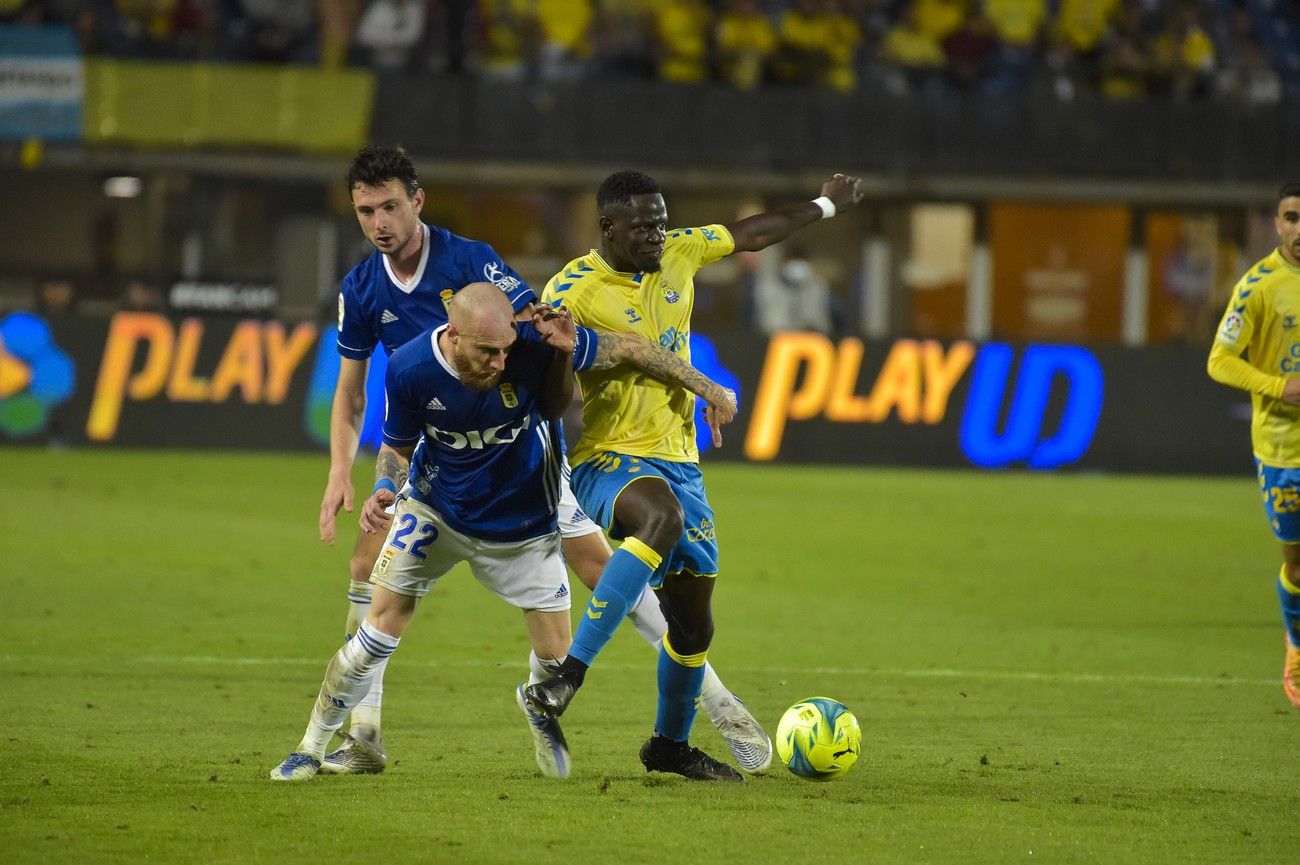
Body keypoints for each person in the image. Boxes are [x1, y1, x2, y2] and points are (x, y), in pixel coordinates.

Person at [319, 145, 771, 775]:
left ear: (416, 201)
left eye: (390, 206)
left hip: (521, 443)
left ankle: (715, 699)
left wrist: (672, 373)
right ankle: (361, 737)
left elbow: (542, 329)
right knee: (368, 560)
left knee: (601, 565)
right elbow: (349, 390)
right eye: (366, 211)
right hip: (442, 454)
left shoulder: (471, 260)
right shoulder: (362, 287)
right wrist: (342, 471)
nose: (379, 223)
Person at [274, 283, 739, 780]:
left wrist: (706, 387)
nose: (499, 362)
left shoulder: (535, 346)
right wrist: (386, 487)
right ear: (453, 334)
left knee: (558, 659)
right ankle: (310, 745)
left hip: (525, 523)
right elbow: (397, 446)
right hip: (437, 509)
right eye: (486, 351)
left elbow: (624, 355)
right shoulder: (410, 368)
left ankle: (539, 710)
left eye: (504, 350)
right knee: (375, 631)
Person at [526, 169, 863, 780]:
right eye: (642, 225)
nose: (657, 234)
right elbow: (554, 393)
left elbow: (751, 235)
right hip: (608, 458)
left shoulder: (680, 250)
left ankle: (669, 747)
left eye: (660, 220)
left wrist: (824, 205)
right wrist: (559, 359)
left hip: (681, 461)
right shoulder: (571, 289)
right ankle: (566, 676)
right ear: (607, 227)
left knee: (692, 623)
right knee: (658, 520)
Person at [1207, 182, 1300, 710]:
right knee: (1298, 567)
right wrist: (1278, 385)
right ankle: (1297, 646)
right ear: (1277, 223)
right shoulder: (1259, 286)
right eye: (1292, 218)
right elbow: (1220, 361)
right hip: (1285, 449)